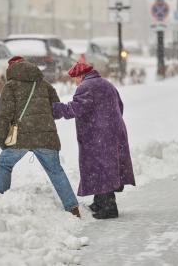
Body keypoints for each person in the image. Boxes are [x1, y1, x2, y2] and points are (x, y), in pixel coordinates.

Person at [0, 56, 80, 217]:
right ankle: (73, 208)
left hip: (21, 137)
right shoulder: (44, 84)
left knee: (4, 164)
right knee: (56, 171)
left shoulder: (10, 86)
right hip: (46, 136)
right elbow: (55, 110)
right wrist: (41, 120)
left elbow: (4, 116)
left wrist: (2, 139)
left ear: (11, 69)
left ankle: (1, 203)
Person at [52, 62, 135, 220]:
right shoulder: (106, 83)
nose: (74, 82)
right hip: (113, 132)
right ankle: (99, 202)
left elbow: (75, 109)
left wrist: (55, 109)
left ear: (81, 75)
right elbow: (120, 106)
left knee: (101, 169)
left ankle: (109, 209)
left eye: (75, 78)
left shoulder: (86, 86)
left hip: (99, 135)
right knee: (105, 167)